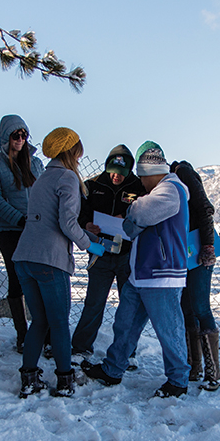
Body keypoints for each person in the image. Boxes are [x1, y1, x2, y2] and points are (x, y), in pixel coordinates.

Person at [83, 141, 190, 398]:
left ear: (150, 172)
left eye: (142, 178)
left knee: (169, 329)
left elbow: (139, 217)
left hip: (162, 274)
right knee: (125, 324)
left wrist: (132, 212)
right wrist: (133, 219)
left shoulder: (171, 190)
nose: (141, 184)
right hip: (141, 272)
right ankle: (113, 369)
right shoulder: (159, 191)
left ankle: (178, 380)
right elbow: (134, 226)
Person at [12, 127, 106, 398]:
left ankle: (29, 379)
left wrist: (87, 234)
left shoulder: (42, 178)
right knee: (59, 323)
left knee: (39, 322)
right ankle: (65, 380)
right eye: (79, 150)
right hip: (49, 261)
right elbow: (66, 223)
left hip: (24, 258)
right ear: (72, 151)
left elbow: (53, 222)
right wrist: (90, 245)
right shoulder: (67, 178)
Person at [70, 145, 146, 358]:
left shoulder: (139, 187)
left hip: (127, 255)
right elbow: (78, 213)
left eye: (121, 173)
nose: (115, 176)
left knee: (129, 306)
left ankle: (127, 352)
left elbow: (147, 213)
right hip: (100, 252)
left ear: (129, 171)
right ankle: (81, 348)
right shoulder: (92, 185)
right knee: (94, 303)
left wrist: (128, 217)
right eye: (112, 171)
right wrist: (87, 224)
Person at [0, 115, 46, 353]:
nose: (19, 140)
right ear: (5, 137)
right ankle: (22, 333)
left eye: (23, 135)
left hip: (36, 228)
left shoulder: (36, 163)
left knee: (39, 278)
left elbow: (44, 193)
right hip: (9, 229)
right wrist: (19, 219)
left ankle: (43, 330)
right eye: (14, 135)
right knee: (16, 277)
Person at [171, 159, 220, 391]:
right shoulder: (175, 177)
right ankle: (194, 367)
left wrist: (208, 246)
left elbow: (204, 209)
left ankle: (213, 373)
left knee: (200, 307)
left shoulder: (182, 173)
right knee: (186, 308)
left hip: (199, 252)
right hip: (187, 252)